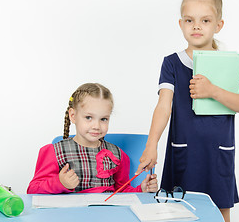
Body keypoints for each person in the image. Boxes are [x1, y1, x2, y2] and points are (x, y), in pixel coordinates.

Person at [136, 0, 239, 222]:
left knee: (219, 213)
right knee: (177, 212)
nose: (196, 26)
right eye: (190, 20)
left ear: (218, 25)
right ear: (181, 24)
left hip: (218, 154)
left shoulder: (230, 64)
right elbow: (163, 106)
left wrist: (213, 91)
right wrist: (151, 145)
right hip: (184, 153)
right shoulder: (171, 63)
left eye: (205, 20)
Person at [28, 83, 158, 194]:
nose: (96, 126)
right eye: (89, 117)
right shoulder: (54, 152)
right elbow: (33, 190)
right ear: (73, 116)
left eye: (103, 119)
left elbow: (122, 192)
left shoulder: (118, 155)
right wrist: (60, 182)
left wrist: (141, 189)